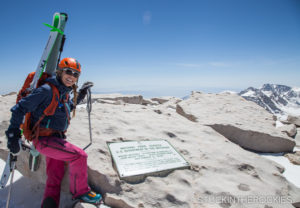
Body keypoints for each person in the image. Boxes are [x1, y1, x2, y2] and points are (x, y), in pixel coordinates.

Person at [5, 58, 101, 208]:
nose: (72, 76)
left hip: (57, 141)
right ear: (60, 72)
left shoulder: (64, 92)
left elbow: (67, 107)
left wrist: (81, 93)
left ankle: (49, 204)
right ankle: (81, 192)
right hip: (45, 140)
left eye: (76, 74)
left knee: (55, 177)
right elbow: (20, 108)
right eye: (68, 72)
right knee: (79, 156)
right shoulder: (47, 90)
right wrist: (13, 134)